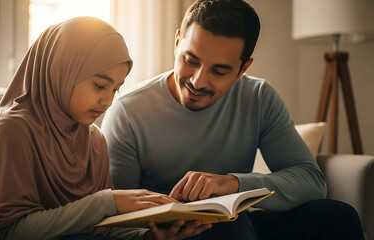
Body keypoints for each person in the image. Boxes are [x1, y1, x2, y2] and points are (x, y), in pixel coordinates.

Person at [101, 0, 365, 239]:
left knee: (337, 216)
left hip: (237, 221)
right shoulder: (128, 112)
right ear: (177, 42)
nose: (197, 81)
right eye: (190, 60)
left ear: (243, 69)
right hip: (171, 234)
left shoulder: (258, 97)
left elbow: (311, 181)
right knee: (231, 229)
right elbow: (115, 217)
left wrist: (233, 183)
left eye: (219, 70)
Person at [0, 17, 211, 240]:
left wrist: (150, 237)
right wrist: (106, 202)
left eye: (115, 89)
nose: (108, 101)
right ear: (62, 71)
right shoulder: (10, 133)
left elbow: (106, 227)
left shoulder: (94, 140)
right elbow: (12, 232)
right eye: (99, 85)